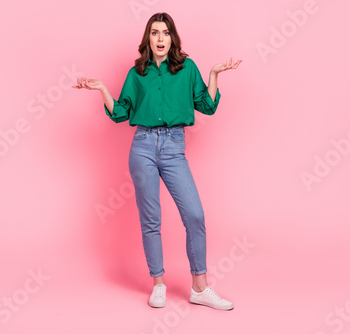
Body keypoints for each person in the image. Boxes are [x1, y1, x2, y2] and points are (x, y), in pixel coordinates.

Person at [73, 12, 242, 310]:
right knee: (151, 220)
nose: (160, 38)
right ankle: (158, 283)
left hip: (174, 147)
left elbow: (207, 105)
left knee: (195, 215)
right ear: (148, 38)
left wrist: (214, 74)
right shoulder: (137, 72)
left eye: (165, 33)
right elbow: (120, 113)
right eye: (154, 32)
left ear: (172, 38)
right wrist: (101, 89)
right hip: (143, 147)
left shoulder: (187, 68)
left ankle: (200, 288)